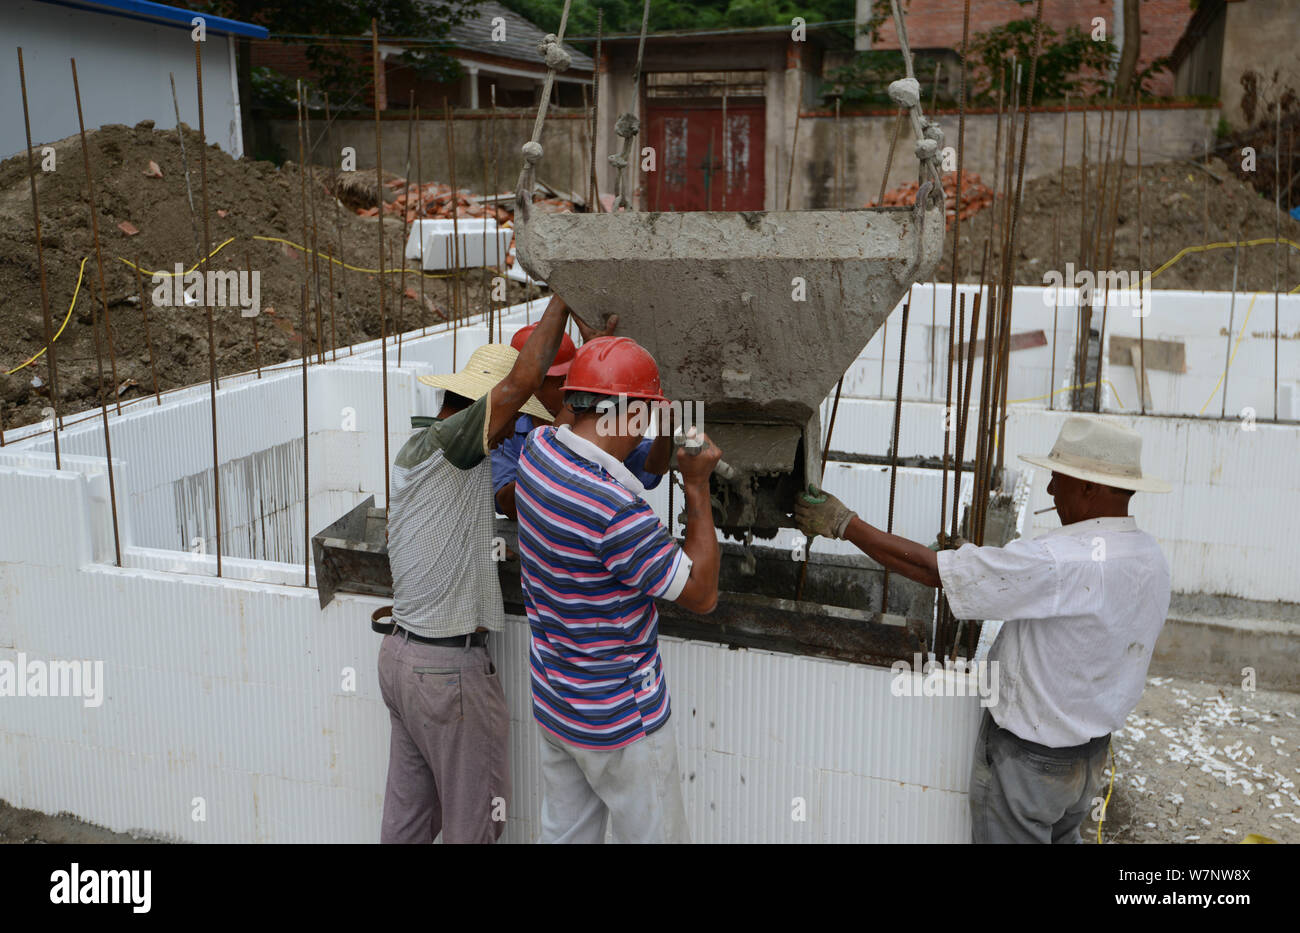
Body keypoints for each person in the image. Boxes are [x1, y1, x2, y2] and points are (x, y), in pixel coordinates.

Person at [793, 416, 1172, 844]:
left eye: (1057, 479)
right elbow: (1066, 601)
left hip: (1030, 764)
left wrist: (844, 523)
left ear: (1088, 487)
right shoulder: (1150, 556)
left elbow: (930, 571)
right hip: (1087, 760)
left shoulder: (1058, 557)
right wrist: (975, 561)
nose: (1050, 490)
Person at [378, 292, 612, 844]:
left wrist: (596, 350)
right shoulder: (452, 448)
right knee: (479, 825)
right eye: (506, 420)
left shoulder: (421, 453)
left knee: (407, 825)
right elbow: (526, 378)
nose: (510, 433)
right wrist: (565, 290)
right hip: (445, 673)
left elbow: (553, 428)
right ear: (481, 408)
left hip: (400, 661)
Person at [514, 336, 722, 843]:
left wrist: (610, 366)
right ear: (628, 416)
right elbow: (702, 594)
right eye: (646, 416)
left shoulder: (535, 454)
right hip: (623, 723)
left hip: (559, 703)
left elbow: (578, 419)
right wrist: (696, 485)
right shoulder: (616, 512)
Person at [491, 324, 670, 520]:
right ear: (533, 385)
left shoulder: (591, 425)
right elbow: (506, 503)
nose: (567, 387)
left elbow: (651, 468)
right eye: (561, 382)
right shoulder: (513, 434)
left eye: (568, 380)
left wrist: (667, 429)